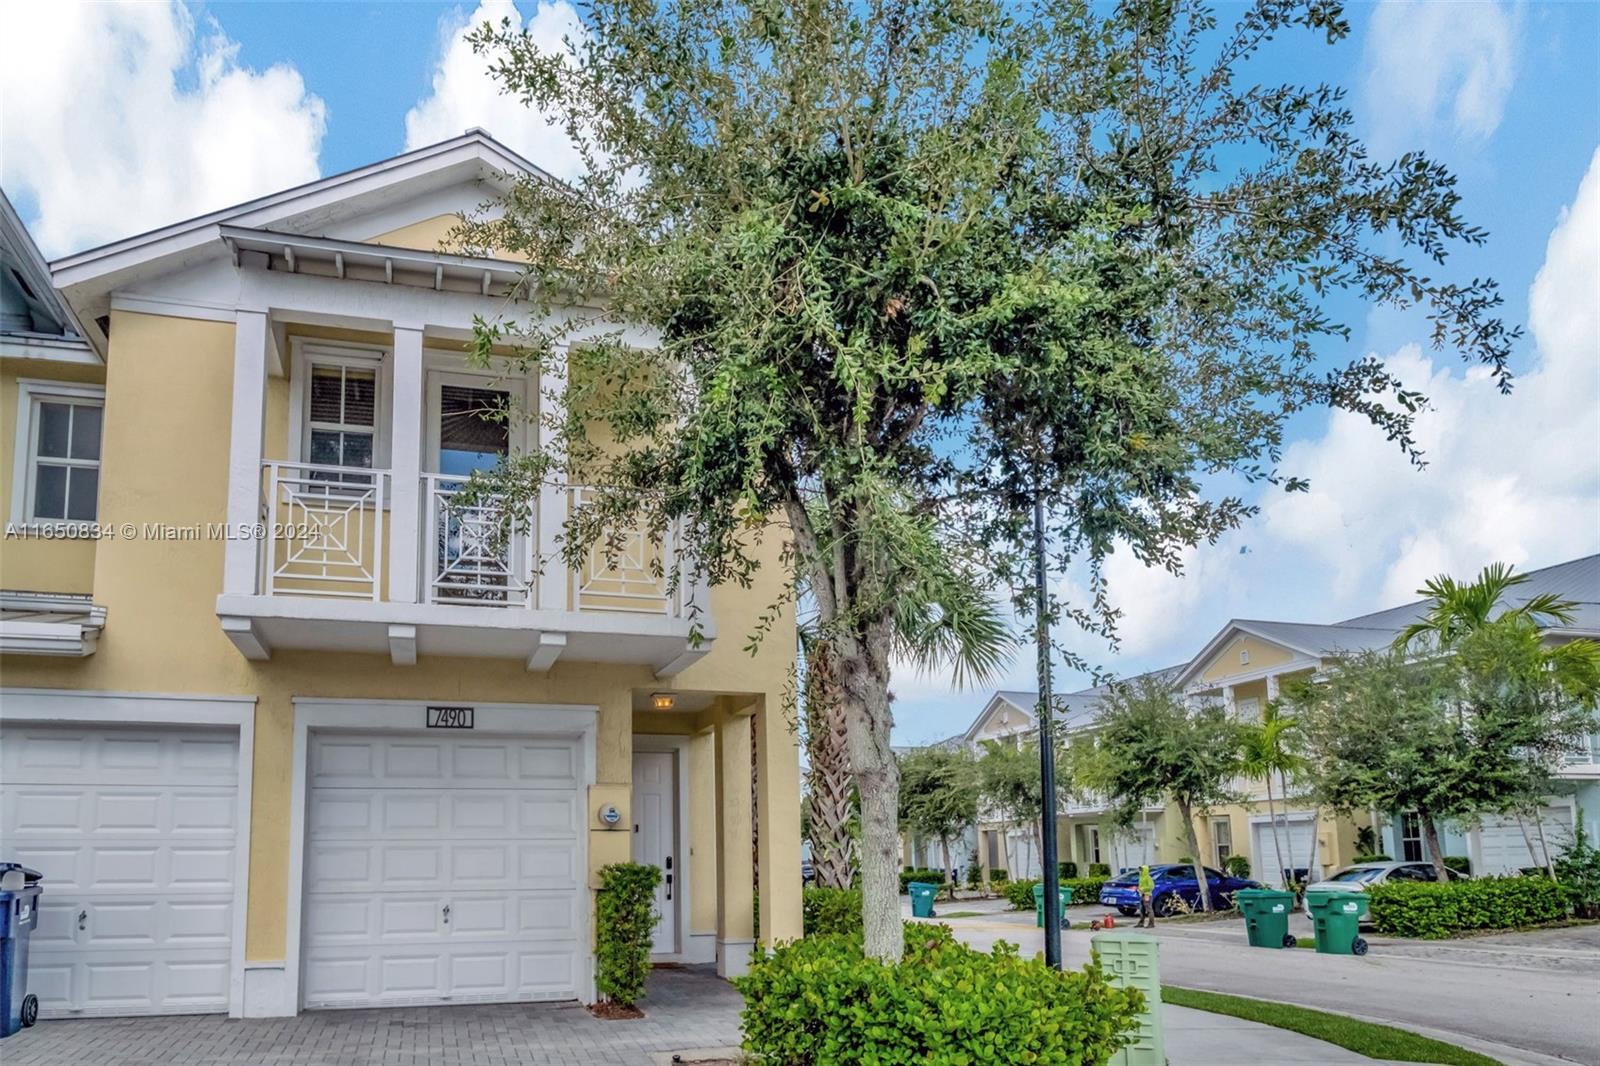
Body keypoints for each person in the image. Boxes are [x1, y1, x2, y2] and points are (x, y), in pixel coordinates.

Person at [1136, 864, 1156, 928]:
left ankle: (1151, 923)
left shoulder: (1148, 877)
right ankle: (1141, 923)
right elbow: (1140, 886)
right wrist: (1138, 889)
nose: (1140, 871)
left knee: (1149, 909)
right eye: (1139, 870)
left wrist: (1143, 889)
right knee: (1142, 909)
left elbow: (1151, 886)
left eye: (1141, 870)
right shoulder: (1141, 878)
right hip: (1142, 894)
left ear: (1145, 870)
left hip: (1147, 895)